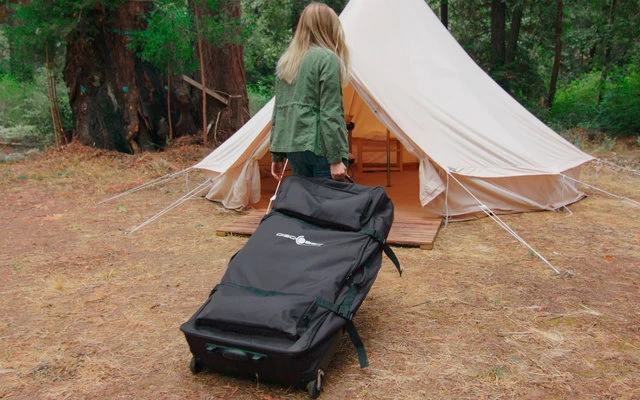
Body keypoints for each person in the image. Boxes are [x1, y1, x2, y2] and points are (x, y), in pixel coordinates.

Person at [270, 2, 350, 181]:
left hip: (295, 148)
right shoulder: (327, 58)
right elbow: (330, 112)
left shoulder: (287, 61)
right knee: (327, 199)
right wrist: (336, 158)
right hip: (321, 150)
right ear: (329, 27)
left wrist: (277, 154)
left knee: (306, 198)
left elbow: (279, 111)